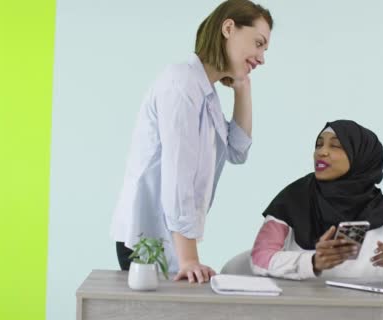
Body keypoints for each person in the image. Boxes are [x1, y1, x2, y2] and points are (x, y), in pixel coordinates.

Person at [111, 0, 273, 284]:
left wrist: (242, 88)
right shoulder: (182, 83)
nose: (261, 58)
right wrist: (189, 259)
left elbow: (238, 150)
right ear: (229, 28)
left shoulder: (205, 94)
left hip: (171, 239)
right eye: (258, 43)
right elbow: (178, 175)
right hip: (147, 239)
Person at [250, 120, 383, 280]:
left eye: (335, 146)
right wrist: (312, 262)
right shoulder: (293, 198)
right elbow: (260, 258)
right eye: (318, 145)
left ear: (361, 156)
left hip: (369, 304)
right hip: (303, 302)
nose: (321, 152)